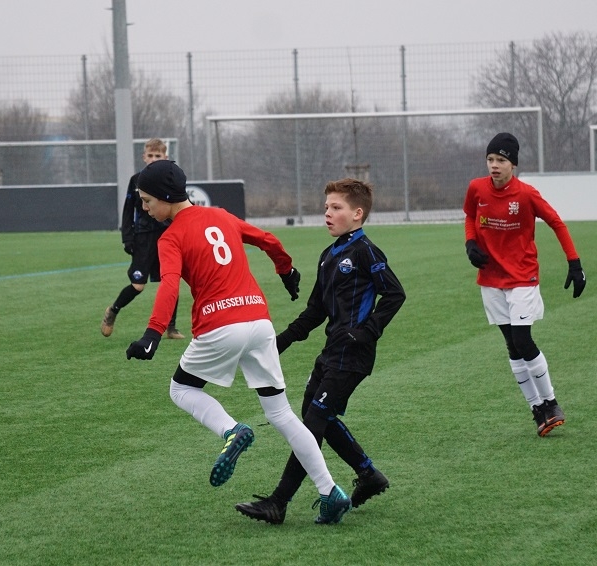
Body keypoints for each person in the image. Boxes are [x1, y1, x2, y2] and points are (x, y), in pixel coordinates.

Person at [124, 159, 352, 525]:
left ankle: (232, 430)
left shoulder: (171, 237)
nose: (144, 207)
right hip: (259, 322)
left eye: (147, 200)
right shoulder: (221, 215)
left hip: (220, 325)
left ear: (165, 197)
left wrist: (153, 333)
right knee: (281, 414)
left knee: (181, 389)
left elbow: (168, 284)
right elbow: (267, 240)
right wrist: (286, 270)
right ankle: (330, 492)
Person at [235, 178, 406, 525]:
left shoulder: (366, 251)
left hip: (353, 356)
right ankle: (368, 474)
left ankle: (279, 502)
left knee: (312, 424)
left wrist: (368, 331)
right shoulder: (329, 256)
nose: (327, 213)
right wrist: (278, 342)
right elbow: (316, 311)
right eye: (326, 207)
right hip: (331, 352)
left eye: (336, 207)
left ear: (357, 214)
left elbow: (394, 293)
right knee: (315, 416)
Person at [463, 132, 586, 437]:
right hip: (491, 279)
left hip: (522, 277)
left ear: (513, 164)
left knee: (522, 339)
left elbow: (556, 222)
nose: (494, 165)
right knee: (511, 344)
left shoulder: (527, 195)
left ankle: (551, 402)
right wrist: (470, 243)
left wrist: (574, 263)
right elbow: (469, 216)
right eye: (490, 159)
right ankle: (537, 409)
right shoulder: (476, 188)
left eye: (501, 160)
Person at [101, 138, 184, 339]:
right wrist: (127, 238)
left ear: (165, 157)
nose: (154, 159)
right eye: (151, 155)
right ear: (144, 157)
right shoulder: (136, 180)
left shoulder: (171, 180)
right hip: (143, 239)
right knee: (138, 285)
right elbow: (128, 211)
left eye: (158, 156)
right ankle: (113, 310)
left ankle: (171, 328)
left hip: (166, 237)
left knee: (170, 280)